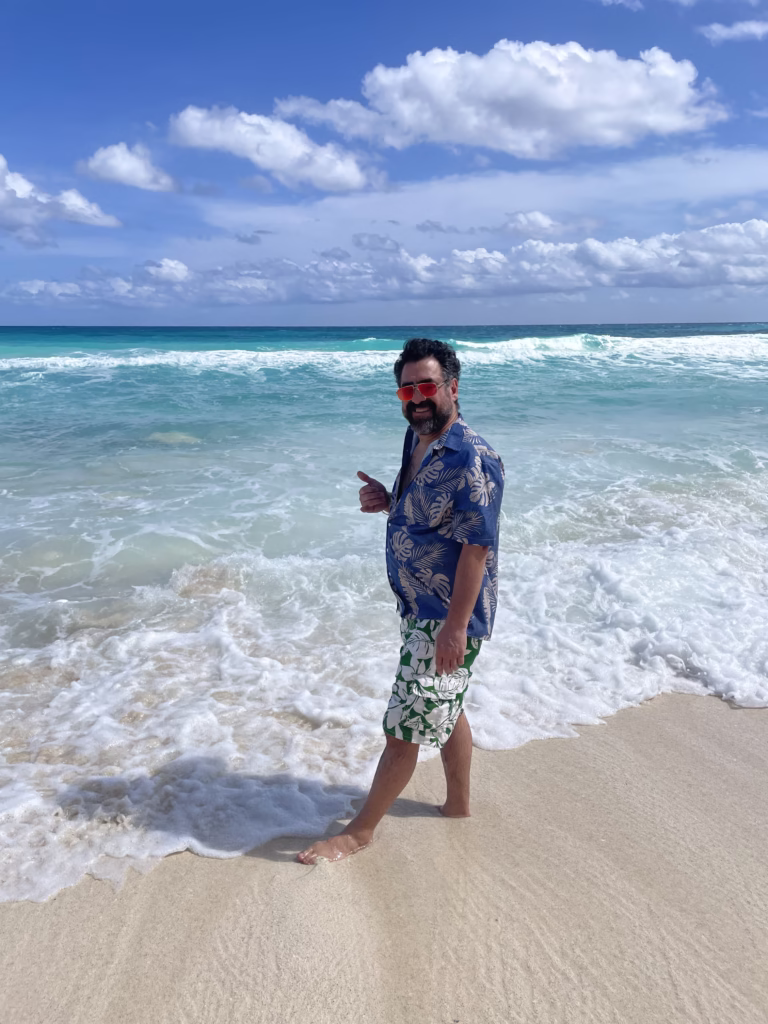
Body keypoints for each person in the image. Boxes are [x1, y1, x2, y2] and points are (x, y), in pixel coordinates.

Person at [298, 338, 504, 864]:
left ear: (452, 388)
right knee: (447, 705)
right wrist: (389, 503)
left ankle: (360, 832)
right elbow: (429, 515)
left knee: (404, 728)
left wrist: (455, 628)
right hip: (418, 605)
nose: (416, 397)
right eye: (407, 388)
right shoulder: (418, 439)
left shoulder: (471, 459)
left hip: (444, 616)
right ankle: (458, 804)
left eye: (427, 386)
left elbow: (476, 547)